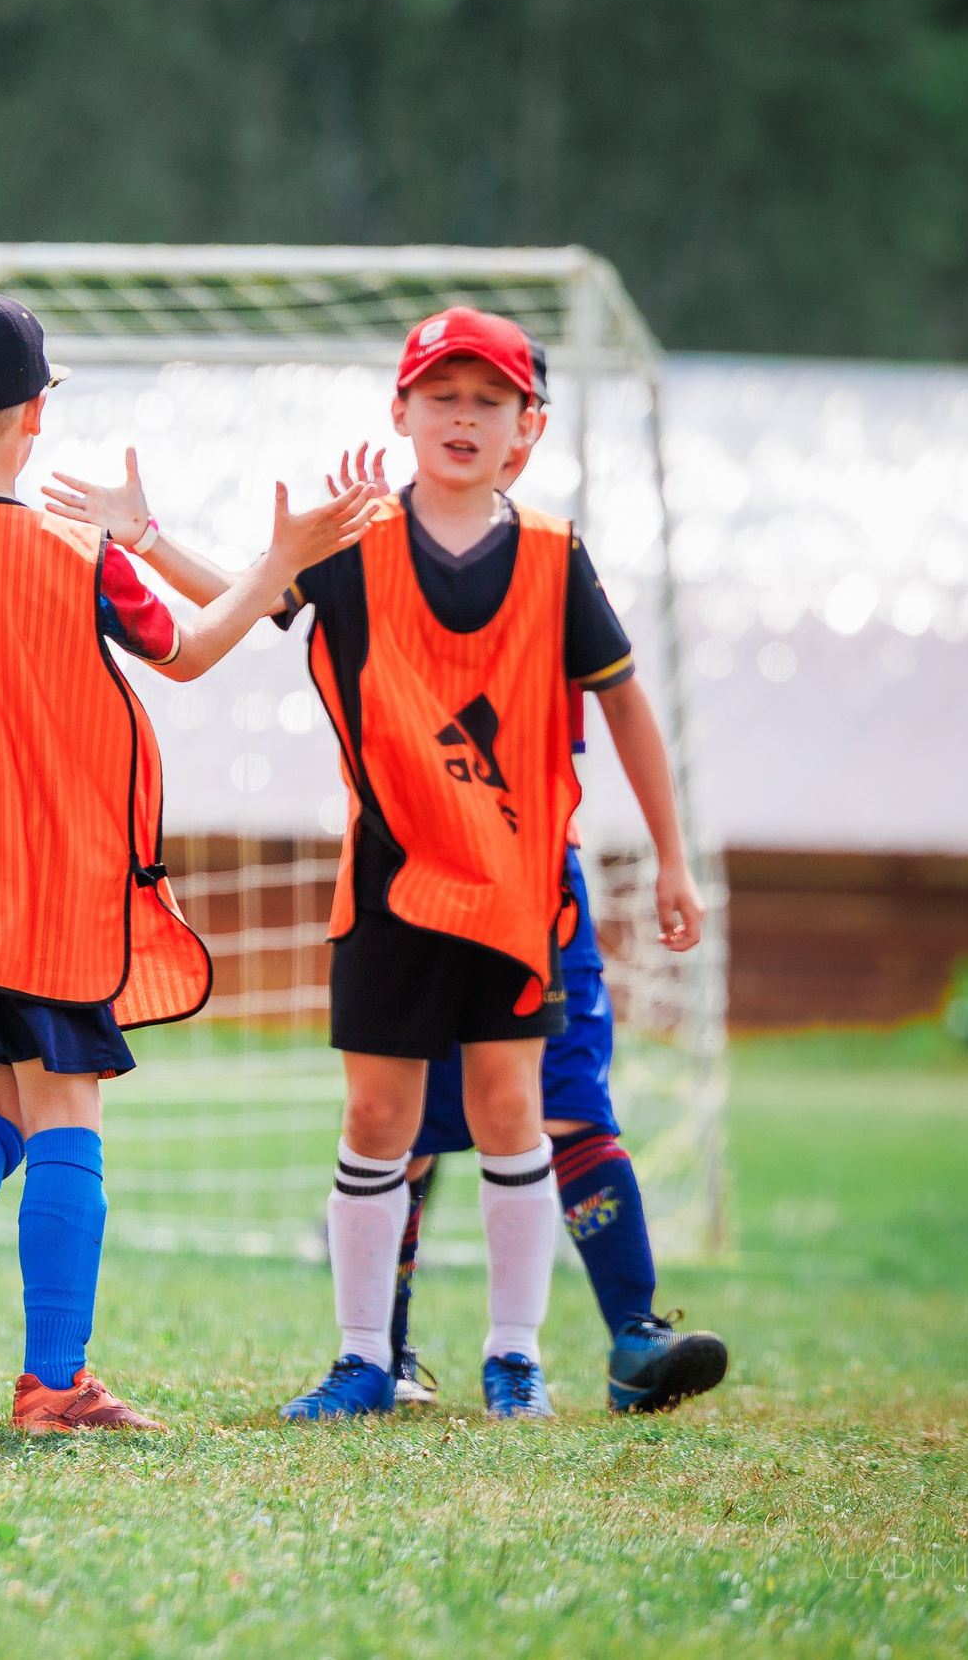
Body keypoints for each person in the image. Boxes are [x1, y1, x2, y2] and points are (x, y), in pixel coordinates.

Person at [45, 304, 705, 1421]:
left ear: (525, 431)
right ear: (399, 412)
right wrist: (148, 538)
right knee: (375, 1124)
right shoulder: (353, 545)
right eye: (440, 395)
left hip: (516, 893)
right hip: (393, 891)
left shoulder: (552, 559)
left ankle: (516, 1357)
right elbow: (250, 604)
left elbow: (627, 703)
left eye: (487, 399)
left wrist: (673, 861)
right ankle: (364, 1361)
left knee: (513, 1112)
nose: (462, 415)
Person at [0, 286, 374, 1433]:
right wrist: (277, 559)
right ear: (35, 416)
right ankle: (54, 1382)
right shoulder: (76, 550)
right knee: (69, 1113)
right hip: (46, 897)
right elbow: (190, 653)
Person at [389, 834, 730, 1414]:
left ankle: (632, 1340)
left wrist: (672, 857)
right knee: (410, 1124)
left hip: (542, 871)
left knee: (573, 1103)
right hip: (426, 862)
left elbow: (626, 733)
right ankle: (384, 1349)